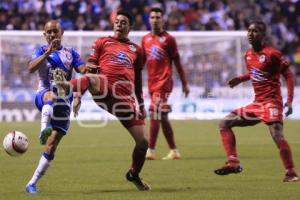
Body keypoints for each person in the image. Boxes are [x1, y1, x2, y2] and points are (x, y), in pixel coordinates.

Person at [54, 10, 150, 190]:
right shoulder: (102, 42)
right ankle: (66, 86)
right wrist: (77, 96)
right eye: (117, 21)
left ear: (130, 27)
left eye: (124, 22)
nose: (119, 24)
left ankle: (133, 174)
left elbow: (138, 81)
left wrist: (141, 104)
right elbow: (89, 70)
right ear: (114, 24)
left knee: (144, 143)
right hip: (104, 88)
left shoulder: (136, 50)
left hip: (124, 99)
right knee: (93, 78)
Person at [214, 20, 299, 182]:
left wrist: (289, 100)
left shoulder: (273, 54)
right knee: (224, 123)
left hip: (272, 102)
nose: (250, 34)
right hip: (257, 104)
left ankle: (291, 173)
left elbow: (288, 75)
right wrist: (240, 79)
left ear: (263, 35)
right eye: (249, 31)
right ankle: (233, 162)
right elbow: (255, 72)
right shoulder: (248, 54)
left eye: (255, 31)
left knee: (277, 135)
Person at [26, 20, 86, 194]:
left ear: (62, 32)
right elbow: (30, 68)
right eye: (49, 32)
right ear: (44, 34)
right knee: (51, 94)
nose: (52, 35)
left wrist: (89, 68)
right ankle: (43, 129)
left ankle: (32, 183)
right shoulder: (40, 50)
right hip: (44, 94)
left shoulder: (71, 53)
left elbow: (82, 69)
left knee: (51, 146)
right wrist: (48, 53)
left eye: (55, 31)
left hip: (64, 103)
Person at [141, 7, 190, 160]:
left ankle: (150, 150)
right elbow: (142, 63)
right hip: (151, 83)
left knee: (154, 112)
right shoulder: (145, 39)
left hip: (164, 82)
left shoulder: (169, 39)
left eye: (158, 17)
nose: (155, 20)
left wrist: (184, 83)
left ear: (162, 20)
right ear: (149, 20)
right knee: (162, 117)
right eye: (153, 17)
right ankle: (174, 151)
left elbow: (178, 62)